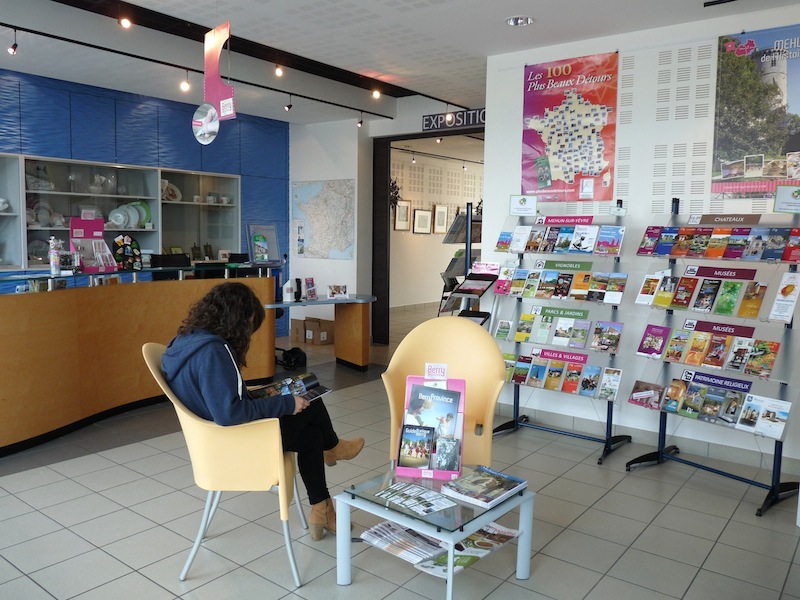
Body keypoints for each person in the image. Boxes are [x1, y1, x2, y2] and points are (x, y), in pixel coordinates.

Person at [160, 282, 364, 541]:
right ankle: (332, 448)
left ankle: (322, 509)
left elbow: (216, 395)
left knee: (311, 434)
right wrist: (286, 404)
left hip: (215, 440)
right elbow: (229, 413)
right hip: (238, 440)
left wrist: (261, 393)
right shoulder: (214, 352)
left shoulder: (187, 341)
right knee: (311, 403)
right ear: (236, 320)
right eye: (248, 325)